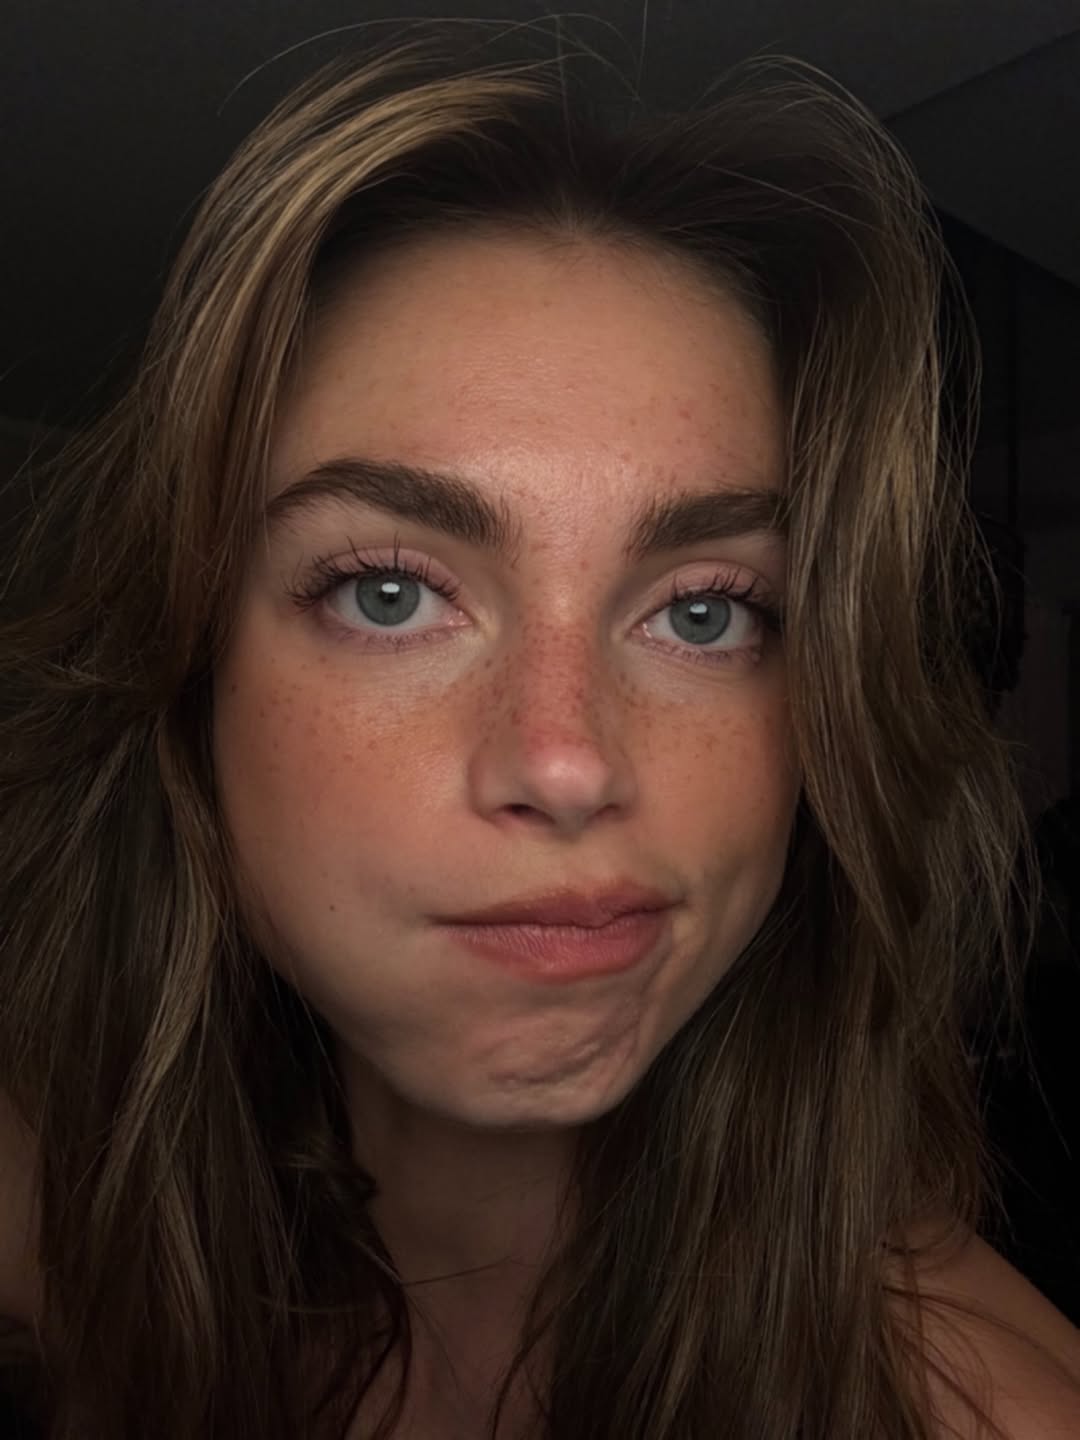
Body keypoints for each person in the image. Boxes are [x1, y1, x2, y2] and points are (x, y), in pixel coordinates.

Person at [1, 21, 1078, 1440]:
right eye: (389, 593)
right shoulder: (63, 1211)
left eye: (706, 612)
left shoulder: (982, 1409)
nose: (568, 763)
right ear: (190, 677)